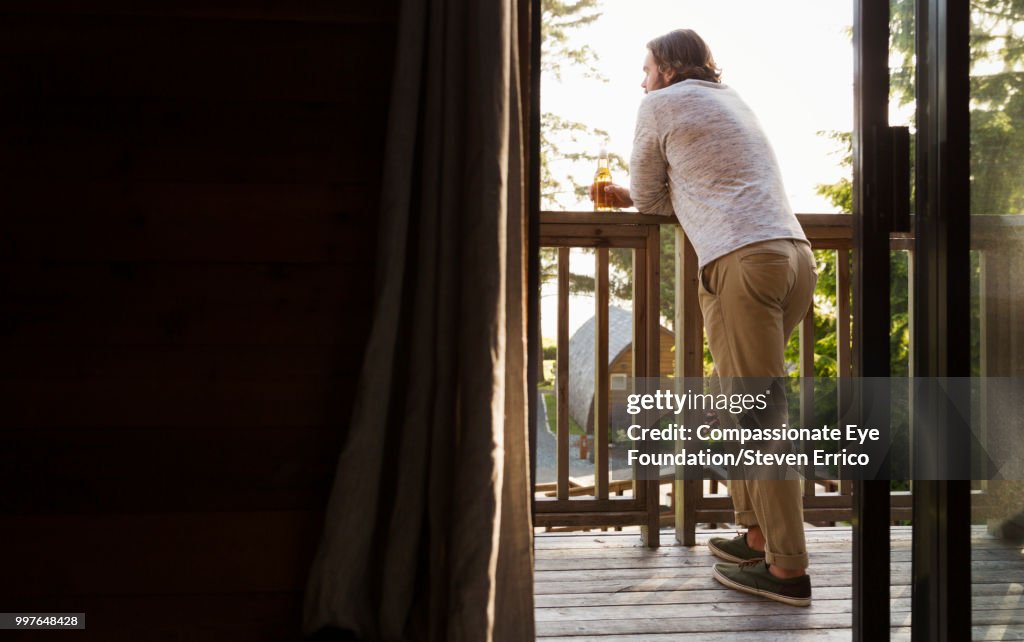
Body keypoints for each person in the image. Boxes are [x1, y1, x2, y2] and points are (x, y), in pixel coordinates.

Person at [591, 28, 817, 607]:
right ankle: (756, 534)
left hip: (741, 261)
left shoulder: (658, 104)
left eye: (645, 69)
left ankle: (788, 570)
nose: (641, 81)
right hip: (793, 256)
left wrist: (625, 193)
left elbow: (650, 196)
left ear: (666, 70)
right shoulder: (731, 98)